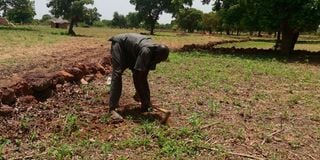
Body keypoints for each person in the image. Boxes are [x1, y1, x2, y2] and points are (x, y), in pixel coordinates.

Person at [108, 33, 169, 121]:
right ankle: (112, 109)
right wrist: (140, 93)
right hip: (120, 44)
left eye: (160, 61)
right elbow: (136, 76)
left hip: (133, 50)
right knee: (117, 73)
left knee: (141, 75)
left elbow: (144, 76)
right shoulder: (146, 52)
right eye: (158, 59)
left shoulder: (155, 56)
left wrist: (145, 100)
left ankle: (145, 104)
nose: (158, 62)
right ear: (155, 54)